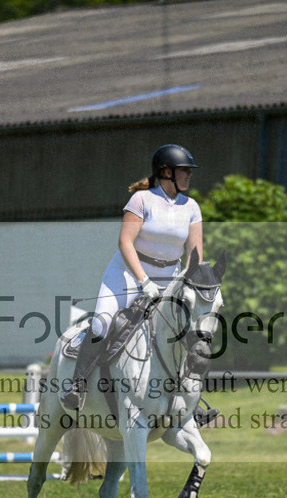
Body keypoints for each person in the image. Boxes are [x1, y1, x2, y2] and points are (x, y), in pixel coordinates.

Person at [61, 143, 203, 411]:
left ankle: (192, 401)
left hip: (170, 278)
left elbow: (194, 256)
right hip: (127, 272)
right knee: (102, 323)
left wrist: (191, 285)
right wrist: (144, 281)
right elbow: (125, 243)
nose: (190, 174)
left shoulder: (192, 207)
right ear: (167, 172)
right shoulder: (142, 200)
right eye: (185, 170)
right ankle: (77, 385)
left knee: (189, 330)